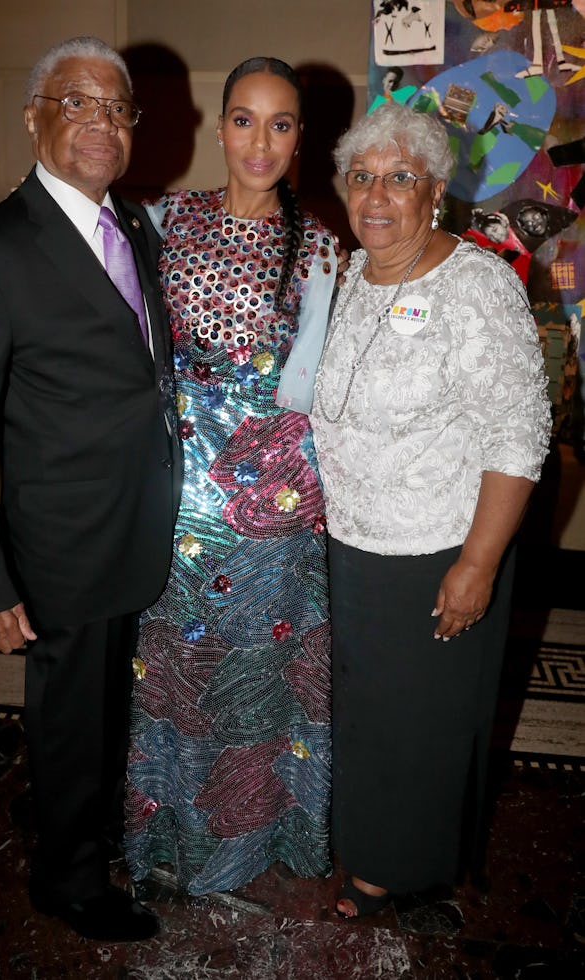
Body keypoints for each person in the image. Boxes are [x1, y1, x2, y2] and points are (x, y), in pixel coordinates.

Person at [0, 36, 180, 942]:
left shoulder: (134, 225)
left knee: (104, 712)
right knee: (71, 722)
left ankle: (85, 830)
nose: (103, 122)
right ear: (35, 115)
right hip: (62, 545)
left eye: (118, 107)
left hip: (135, 527)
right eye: (79, 102)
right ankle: (68, 881)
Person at [310, 102, 552, 918]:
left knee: (421, 725)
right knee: (367, 716)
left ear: (436, 191)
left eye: (400, 178)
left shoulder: (474, 284)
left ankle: (398, 874)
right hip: (349, 547)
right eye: (363, 177)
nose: (378, 196)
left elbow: (519, 434)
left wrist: (478, 563)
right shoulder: (345, 274)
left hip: (436, 550)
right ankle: (369, 850)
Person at [123, 56, 338, 895]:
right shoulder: (160, 220)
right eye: (244, 119)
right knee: (175, 669)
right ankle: (171, 836)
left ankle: (263, 841)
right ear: (221, 127)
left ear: (298, 139)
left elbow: (310, 385)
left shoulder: (319, 245)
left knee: (263, 669)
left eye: (280, 124)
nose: (260, 141)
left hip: (274, 503)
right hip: (174, 493)